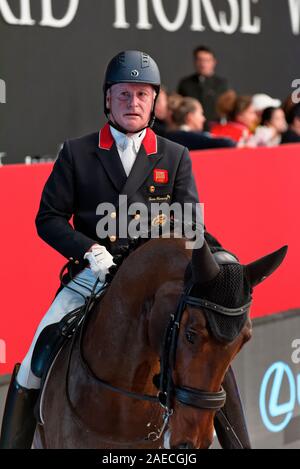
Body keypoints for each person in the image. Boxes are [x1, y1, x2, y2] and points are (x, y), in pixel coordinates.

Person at [0, 50, 250, 450]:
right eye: (124, 95)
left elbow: (189, 225)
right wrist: (88, 250)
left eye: (141, 95)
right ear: (108, 99)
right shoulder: (77, 152)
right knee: (34, 358)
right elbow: (47, 218)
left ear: (153, 102)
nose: (132, 103)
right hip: (92, 275)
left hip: (157, 284)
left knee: (210, 355)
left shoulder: (174, 155)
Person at [177, 46, 229, 122]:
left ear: (214, 62)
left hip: (215, 128)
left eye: (207, 60)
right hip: (192, 128)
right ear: (195, 61)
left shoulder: (223, 84)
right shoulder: (185, 84)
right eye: (200, 60)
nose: (203, 64)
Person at [166, 97, 235, 150]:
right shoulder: (182, 137)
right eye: (201, 114)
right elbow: (226, 143)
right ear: (190, 117)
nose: (203, 119)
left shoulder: (173, 135)